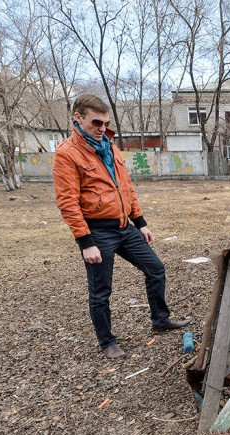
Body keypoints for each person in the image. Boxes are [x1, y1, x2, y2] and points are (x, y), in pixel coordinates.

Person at [53, 94, 189, 358]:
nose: (102, 128)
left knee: (156, 269)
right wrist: (86, 242)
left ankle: (160, 320)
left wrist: (140, 223)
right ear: (78, 118)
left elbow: (125, 188)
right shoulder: (66, 154)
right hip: (97, 232)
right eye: (96, 122)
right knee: (101, 290)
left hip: (125, 226)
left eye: (106, 123)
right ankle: (107, 342)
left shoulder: (109, 146)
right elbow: (67, 203)